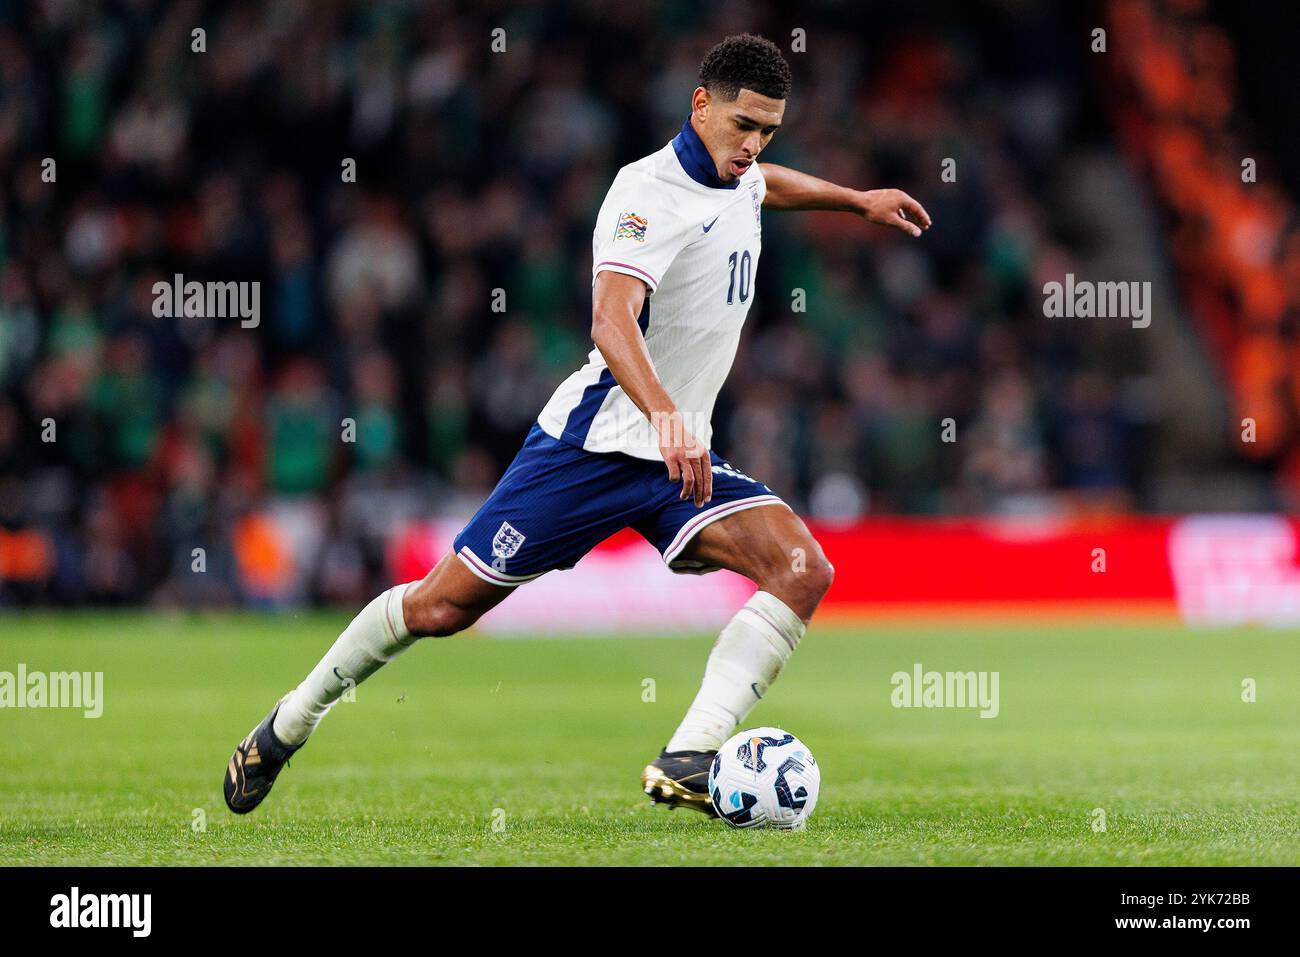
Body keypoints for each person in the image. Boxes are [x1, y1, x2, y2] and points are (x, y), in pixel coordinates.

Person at [224, 32, 931, 817]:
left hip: (676, 460)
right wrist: (666, 417)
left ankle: (687, 755)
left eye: (768, 128)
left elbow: (766, 186)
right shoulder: (645, 195)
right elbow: (610, 322)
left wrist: (857, 200)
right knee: (438, 608)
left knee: (804, 569)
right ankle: (287, 724)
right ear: (700, 106)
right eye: (743, 125)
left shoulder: (742, 174)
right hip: (590, 447)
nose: (754, 144)